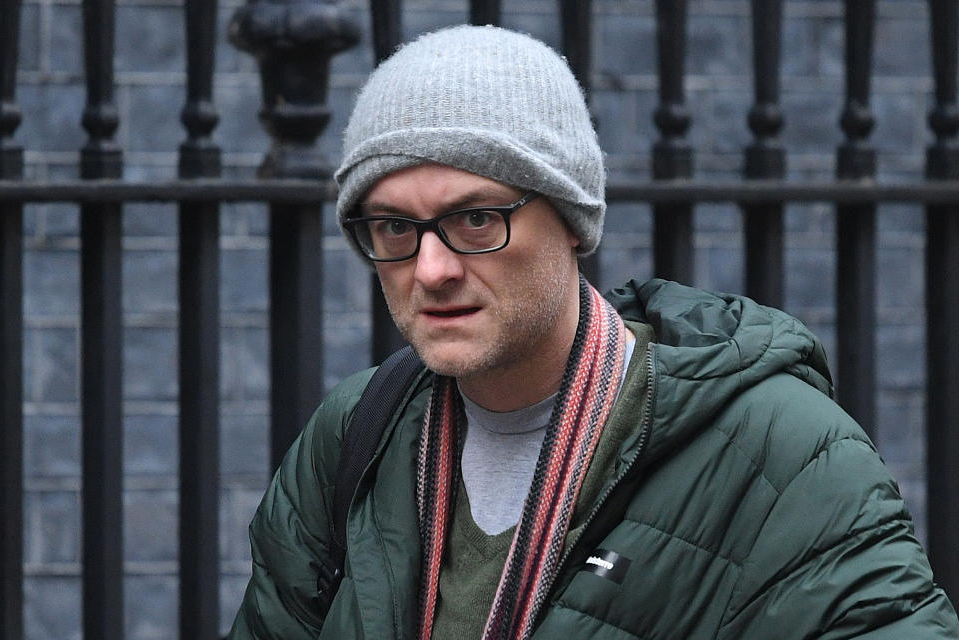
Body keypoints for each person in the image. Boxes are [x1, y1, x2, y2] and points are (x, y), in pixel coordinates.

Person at [227, 25, 959, 640]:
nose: (433, 268)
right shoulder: (359, 430)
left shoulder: (784, 454)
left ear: (572, 222)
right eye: (393, 226)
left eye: (477, 218)